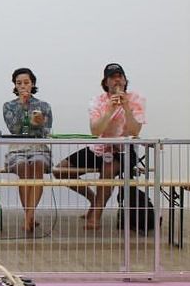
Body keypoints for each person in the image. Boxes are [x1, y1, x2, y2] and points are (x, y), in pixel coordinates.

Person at [53, 63, 146, 230]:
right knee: (60, 170)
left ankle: (96, 215)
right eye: (112, 77)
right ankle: (94, 200)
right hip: (98, 148)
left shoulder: (135, 99)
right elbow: (96, 131)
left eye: (120, 76)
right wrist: (110, 110)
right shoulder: (97, 101)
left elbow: (135, 131)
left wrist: (126, 107)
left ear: (125, 81)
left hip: (123, 150)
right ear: (106, 82)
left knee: (108, 170)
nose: (117, 80)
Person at [2, 68, 54, 235]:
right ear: (15, 86)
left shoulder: (44, 106)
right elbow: (14, 129)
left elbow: (46, 132)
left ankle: (28, 217)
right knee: (23, 168)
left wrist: (40, 122)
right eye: (19, 83)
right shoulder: (8, 106)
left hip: (38, 146)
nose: (23, 86)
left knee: (37, 164)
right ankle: (30, 217)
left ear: (32, 84)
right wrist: (22, 106)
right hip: (17, 147)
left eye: (26, 82)